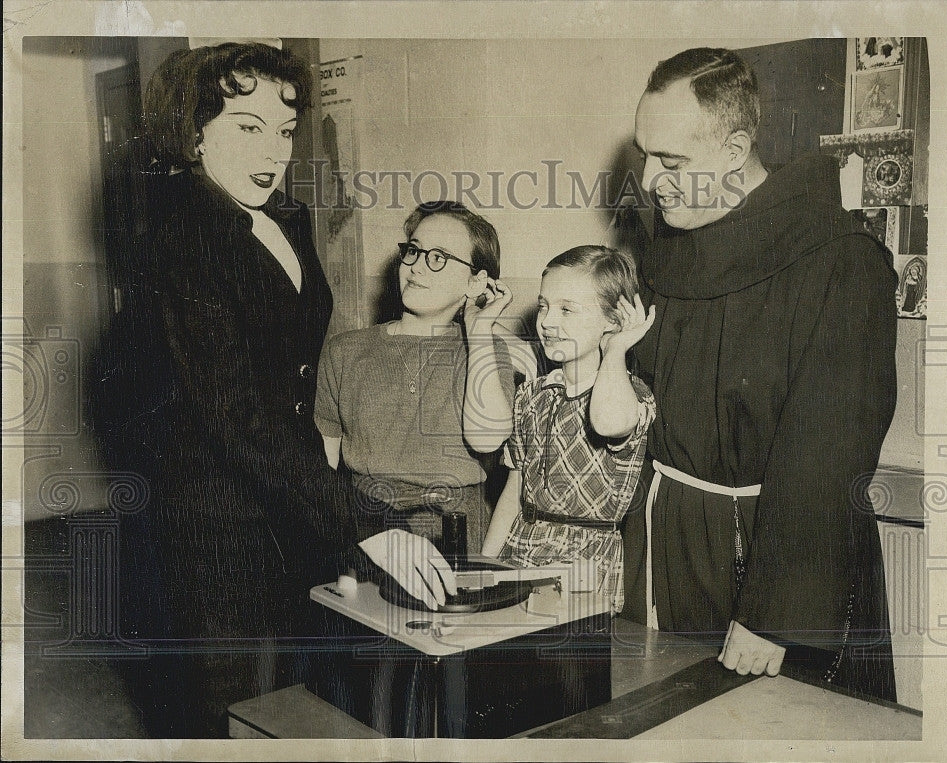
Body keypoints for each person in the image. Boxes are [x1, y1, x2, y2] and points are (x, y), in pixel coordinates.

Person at [96, 42, 453, 737]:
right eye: (246, 127)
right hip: (216, 516)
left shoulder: (283, 216)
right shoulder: (183, 238)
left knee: (298, 699)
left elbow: (290, 372)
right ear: (194, 136)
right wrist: (368, 522)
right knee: (236, 704)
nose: (272, 150)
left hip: (287, 494)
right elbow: (237, 420)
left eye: (284, 130)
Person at [622, 47, 899, 701]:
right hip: (669, 551)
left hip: (776, 570)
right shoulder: (668, 256)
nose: (647, 178)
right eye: (644, 154)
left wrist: (777, 613)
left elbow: (828, 453)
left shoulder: (840, 261)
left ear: (735, 148)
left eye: (671, 161)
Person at [314, 201, 515, 558]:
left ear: (475, 282)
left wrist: (480, 331)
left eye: (438, 257)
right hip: (366, 527)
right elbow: (322, 470)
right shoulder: (344, 351)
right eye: (413, 251)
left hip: (455, 532)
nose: (417, 266)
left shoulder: (486, 351)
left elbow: (487, 440)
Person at [480, 246, 656, 613]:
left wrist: (617, 349)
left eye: (566, 309)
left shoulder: (629, 394)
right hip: (520, 550)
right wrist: (486, 567)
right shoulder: (531, 395)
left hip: (584, 567)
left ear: (613, 319)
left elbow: (609, 421)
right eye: (543, 305)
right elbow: (515, 492)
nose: (546, 321)